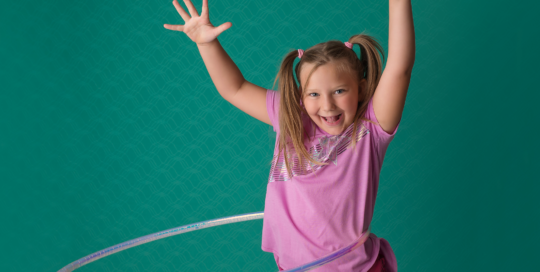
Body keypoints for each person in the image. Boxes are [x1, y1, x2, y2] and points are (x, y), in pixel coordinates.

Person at [164, 0, 415, 271]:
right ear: (300, 97)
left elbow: (399, 67)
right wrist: (206, 44)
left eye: (340, 91)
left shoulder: (370, 129)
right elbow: (234, 88)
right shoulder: (290, 117)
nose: (328, 105)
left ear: (362, 89)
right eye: (314, 94)